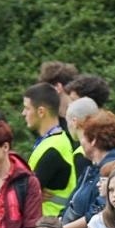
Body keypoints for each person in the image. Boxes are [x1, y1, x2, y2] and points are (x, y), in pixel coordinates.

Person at [61, 111, 115, 228]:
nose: (81, 141)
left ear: (94, 141)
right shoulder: (93, 167)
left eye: (83, 136)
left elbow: (99, 213)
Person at [21, 83, 77, 216]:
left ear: (41, 111)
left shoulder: (53, 148)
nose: (23, 113)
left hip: (48, 225)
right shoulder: (55, 140)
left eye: (27, 108)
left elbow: (22, 194)